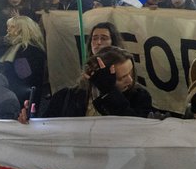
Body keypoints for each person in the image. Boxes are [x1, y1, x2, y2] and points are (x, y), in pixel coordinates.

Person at [19, 46, 152, 121]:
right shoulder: (65, 97)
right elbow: (46, 131)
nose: (130, 80)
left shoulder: (140, 97)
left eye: (131, 73)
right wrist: (29, 122)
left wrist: (109, 93)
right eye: (121, 78)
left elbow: (135, 128)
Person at [0, 16, 46, 107]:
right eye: (8, 26)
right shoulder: (14, 47)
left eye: (12, 27)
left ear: (22, 29)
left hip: (21, 99)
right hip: (13, 96)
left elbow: (24, 75)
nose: (8, 30)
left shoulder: (27, 50)